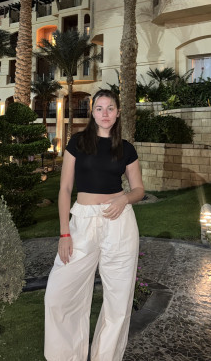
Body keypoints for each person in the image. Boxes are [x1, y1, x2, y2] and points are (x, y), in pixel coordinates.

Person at [44, 89, 144, 361]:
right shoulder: (78, 142)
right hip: (82, 223)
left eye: (110, 108)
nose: (105, 113)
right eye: (99, 108)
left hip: (119, 223)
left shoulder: (126, 148)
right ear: (92, 112)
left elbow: (138, 190)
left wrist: (124, 199)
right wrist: (64, 233)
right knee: (58, 294)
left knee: (118, 301)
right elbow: (65, 189)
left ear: (118, 112)